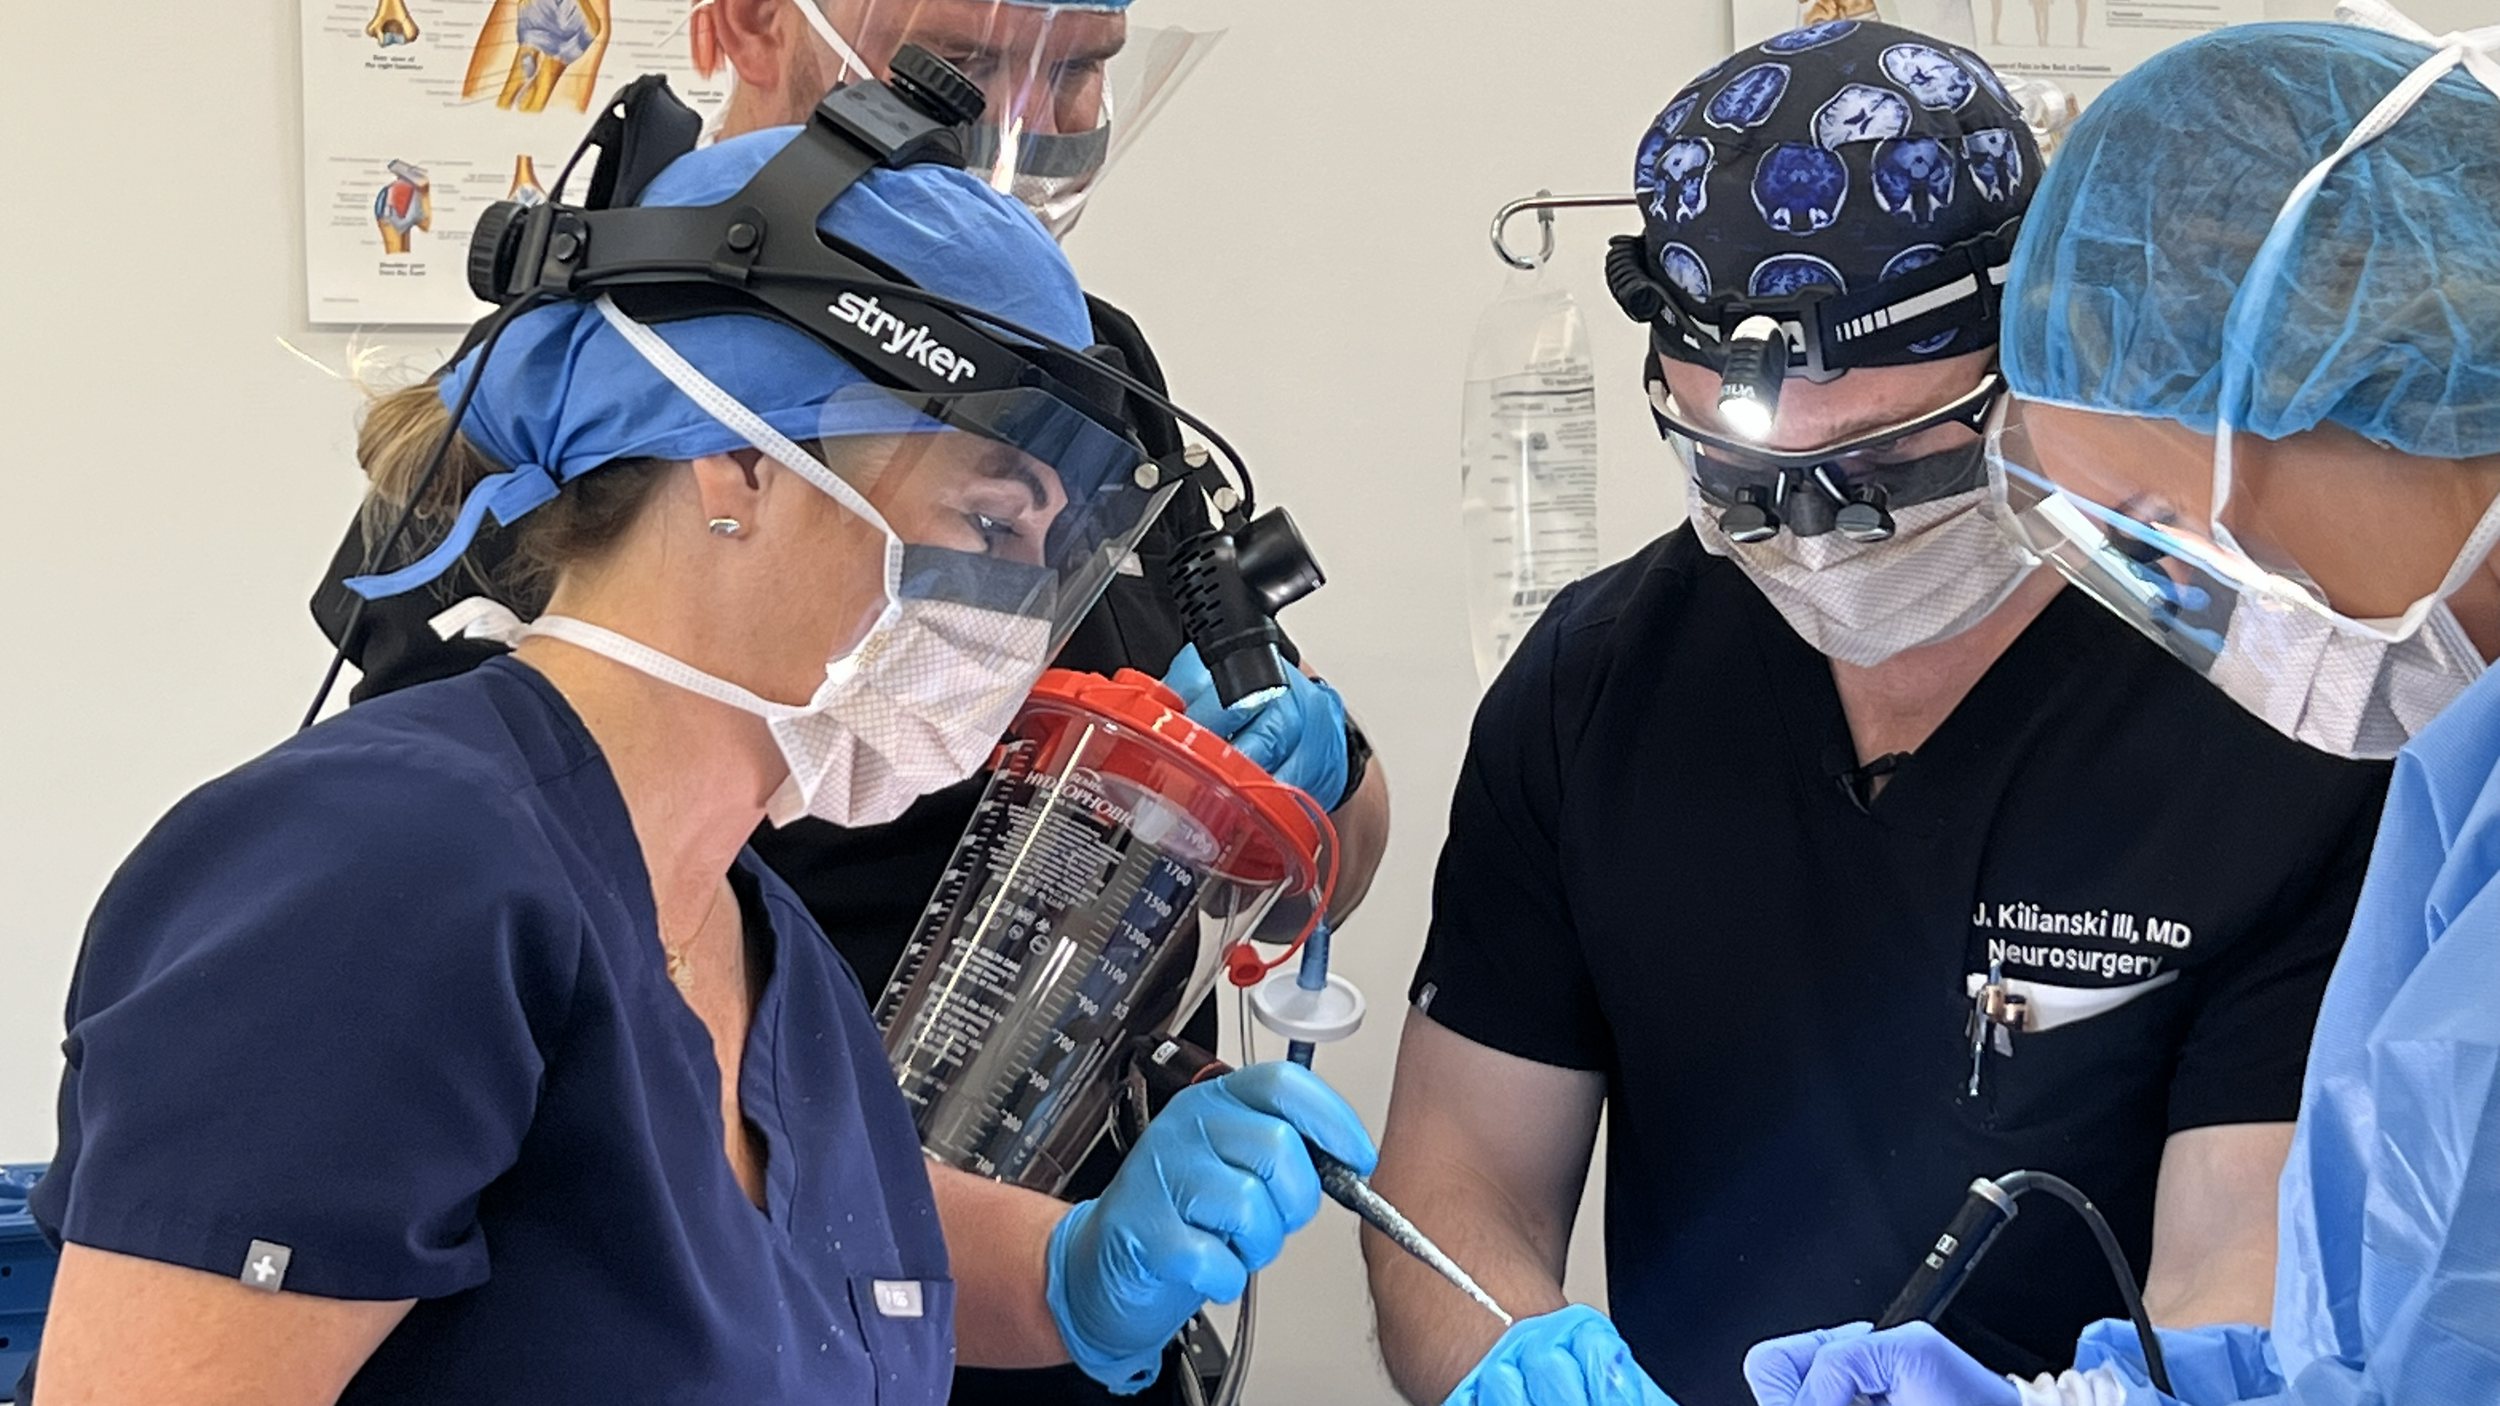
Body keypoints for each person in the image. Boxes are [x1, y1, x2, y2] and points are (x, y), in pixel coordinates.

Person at [21, 118, 1378, 1404]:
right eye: (988, 521)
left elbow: (779, 1270)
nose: (1026, 614)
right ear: (739, 462)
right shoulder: (383, 872)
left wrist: (1078, 1272)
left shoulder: (760, 946)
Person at [1364, 21, 2393, 1406]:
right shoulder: (1590, 689)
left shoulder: (2268, 721)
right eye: (1742, 480)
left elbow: (2237, 1272)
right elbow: (1458, 1182)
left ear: (2041, 362)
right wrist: (1510, 1361)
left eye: (1887, 467)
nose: (1816, 537)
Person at [1746, 6, 2500, 1404]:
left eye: (2165, 521)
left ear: (2372, 382)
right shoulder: (2464, 782)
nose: (2215, 603)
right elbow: (2388, 1349)